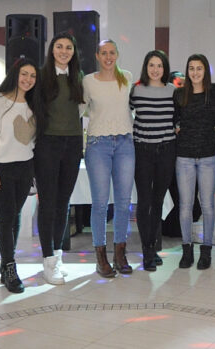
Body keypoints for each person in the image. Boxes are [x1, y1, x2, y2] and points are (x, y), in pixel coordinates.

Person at [0, 58, 38, 294]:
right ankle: (10, 268)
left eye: (32, 76)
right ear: (15, 74)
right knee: (6, 217)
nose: (28, 80)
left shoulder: (33, 103)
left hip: (25, 168)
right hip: (0, 169)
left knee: (15, 215)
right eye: (24, 74)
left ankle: (6, 264)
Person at [34, 32, 85, 285]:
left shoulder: (79, 77)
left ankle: (57, 255)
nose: (64, 51)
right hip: (48, 144)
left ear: (74, 52)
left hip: (73, 143)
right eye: (59, 46)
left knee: (63, 202)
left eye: (68, 48)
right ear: (52, 50)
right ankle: (47, 260)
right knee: (48, 203)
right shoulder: (41, 76)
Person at [83, 39, 135, 278]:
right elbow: (80, 108)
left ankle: (120, 254)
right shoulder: (88, 81)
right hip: (98, 145)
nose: (108, 57)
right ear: (97, 56)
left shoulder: (127, 77)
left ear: (117, 54)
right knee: (100, 204)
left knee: (124, 203)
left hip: (125, 143)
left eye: (112, 52)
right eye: (103, 53)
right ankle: (101, 257)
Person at [174, 54, 215, 270]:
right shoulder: (179, 94)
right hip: (184, 157)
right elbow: (174, 119)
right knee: (185, 206)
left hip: (208, 157)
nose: (195, 72)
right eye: (191, 68)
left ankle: (206, 250)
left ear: (205, 71)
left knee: (208, 205)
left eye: (199, 68)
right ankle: (187, 250)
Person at [131, 50, 176, 271]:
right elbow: (124, 114)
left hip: (166, 150)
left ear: (164, 68)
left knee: (158, 201)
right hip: (143, 151)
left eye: (159, 65)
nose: (155, 69)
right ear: (146, 67)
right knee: (144, 201)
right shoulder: (136, 90)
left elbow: (179, 118)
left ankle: (153, 247)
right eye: (151, 65)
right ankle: (147, 250)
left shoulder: (172, 91)